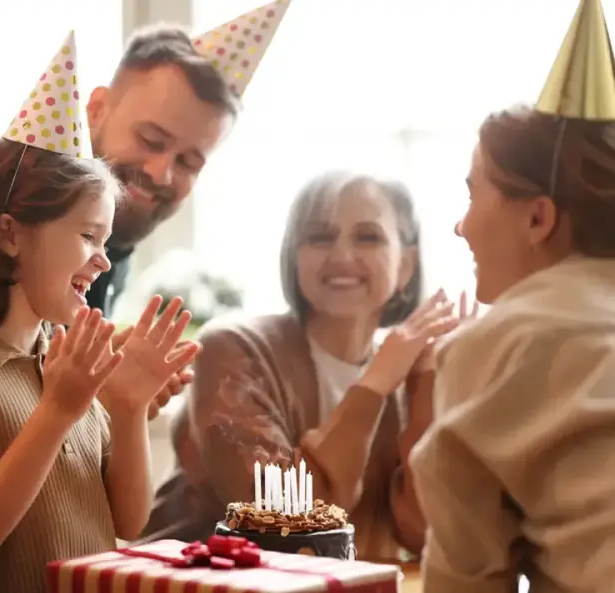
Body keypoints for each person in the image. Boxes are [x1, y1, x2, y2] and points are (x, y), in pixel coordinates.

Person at [0, 3, 291, 443]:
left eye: (190, 162)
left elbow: (29, 425)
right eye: (150, 138)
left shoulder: (108, 247)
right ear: (97, 108)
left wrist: (105, 391)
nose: (160, 172)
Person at [0, 33, 199, 593]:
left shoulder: (65, 359)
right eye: (88, 236)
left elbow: (129, 522)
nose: (104, 261)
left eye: (107, 241)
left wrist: (126, 405)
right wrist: (58, 409)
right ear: (11, 233)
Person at [141, 170, 467, 561]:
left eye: (368, 237)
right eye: (319, 237)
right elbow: (286, 519)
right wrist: (375, 383)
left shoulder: (410, 369)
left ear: (407, 266)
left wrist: (428, 383)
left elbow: (427, 532)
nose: (342, 256)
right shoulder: (231, 348)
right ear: (294, 256)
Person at [412, 1, 615, 590]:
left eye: (474, 194)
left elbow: (466, 581)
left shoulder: (499, 344)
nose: (461, 226)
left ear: (538, 219)